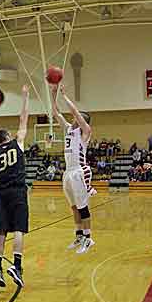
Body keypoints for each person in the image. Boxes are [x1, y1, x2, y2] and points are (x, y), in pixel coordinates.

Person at [0, 84, 30, 287]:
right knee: (18, 229)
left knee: (1, 231)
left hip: (2, 193)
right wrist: (25, 96)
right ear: (8, 137)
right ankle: (17, 266)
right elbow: (23, 118)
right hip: (18, 190)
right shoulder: (17, 142)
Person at [51, 84, 95, 254]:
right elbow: (55, 113)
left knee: (83, 207)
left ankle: (88, 238)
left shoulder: (86, 131)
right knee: (74, 207)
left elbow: (74, 112)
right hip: (68, 172)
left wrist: (64, 96)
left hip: (79, 171)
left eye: (79, 117)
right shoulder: (69, 129)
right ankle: (79, 235)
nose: (75, 118)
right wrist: (54, 94)